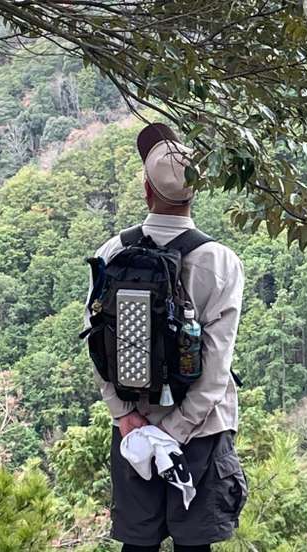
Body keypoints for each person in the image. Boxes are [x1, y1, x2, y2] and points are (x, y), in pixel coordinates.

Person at [84, 123, 247, 552]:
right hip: (201, 434)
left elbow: (96, 344)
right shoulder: (221, 262)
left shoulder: (111, 253)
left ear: (146, 190)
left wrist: (125, 417)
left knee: (138, 546)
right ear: (194, 192)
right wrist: (175, 431)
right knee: (195, 547)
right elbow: (216, 367)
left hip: (134, 432)